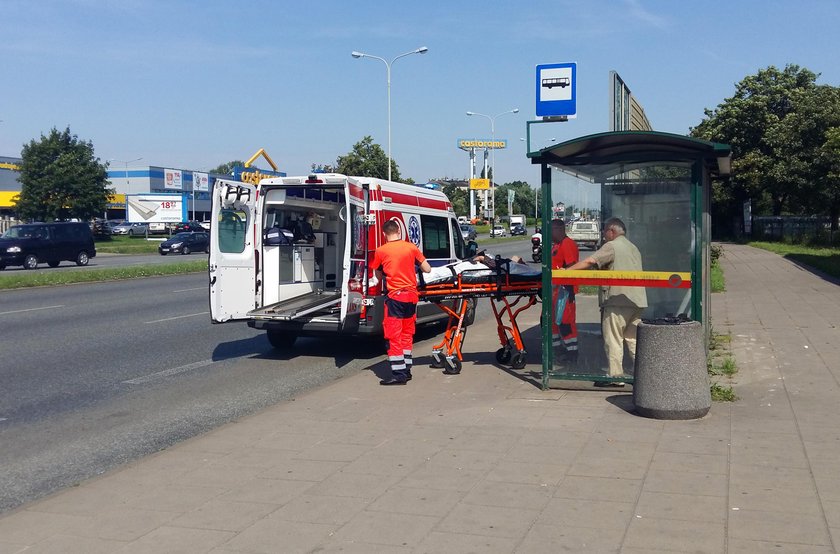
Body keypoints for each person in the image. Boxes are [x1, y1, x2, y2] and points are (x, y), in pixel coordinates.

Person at [565, 217, 647, 387]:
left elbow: (590, 261)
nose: (603, 235)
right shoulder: (633, 247)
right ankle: (646, 373)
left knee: (613, 339)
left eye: (605, 232)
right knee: (633, 340)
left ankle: (615, 377)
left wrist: (566, 271)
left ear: (612, 231)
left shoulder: (611, 246)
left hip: (617, 299)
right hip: (637, 300)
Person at [369, 220, 432, 385]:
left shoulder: (381, 251)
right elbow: (428, 269)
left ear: (384, 234)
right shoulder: (411, 247)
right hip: (411, 297)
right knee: (406, 334)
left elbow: (377, 276)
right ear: (399, 230)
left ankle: (399, 375)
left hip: (395, 298)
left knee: (393, 335)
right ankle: (407, 369)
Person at [550, 219, 580, 360]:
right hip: (556, 290)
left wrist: (562, 272)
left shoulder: (567, 244)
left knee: (565, 322)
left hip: (565, 290)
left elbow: (572, 266)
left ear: (558, 229)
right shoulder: (557, 245)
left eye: (551, 230)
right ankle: (557, 348)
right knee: (554, 321)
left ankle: (572, 352)